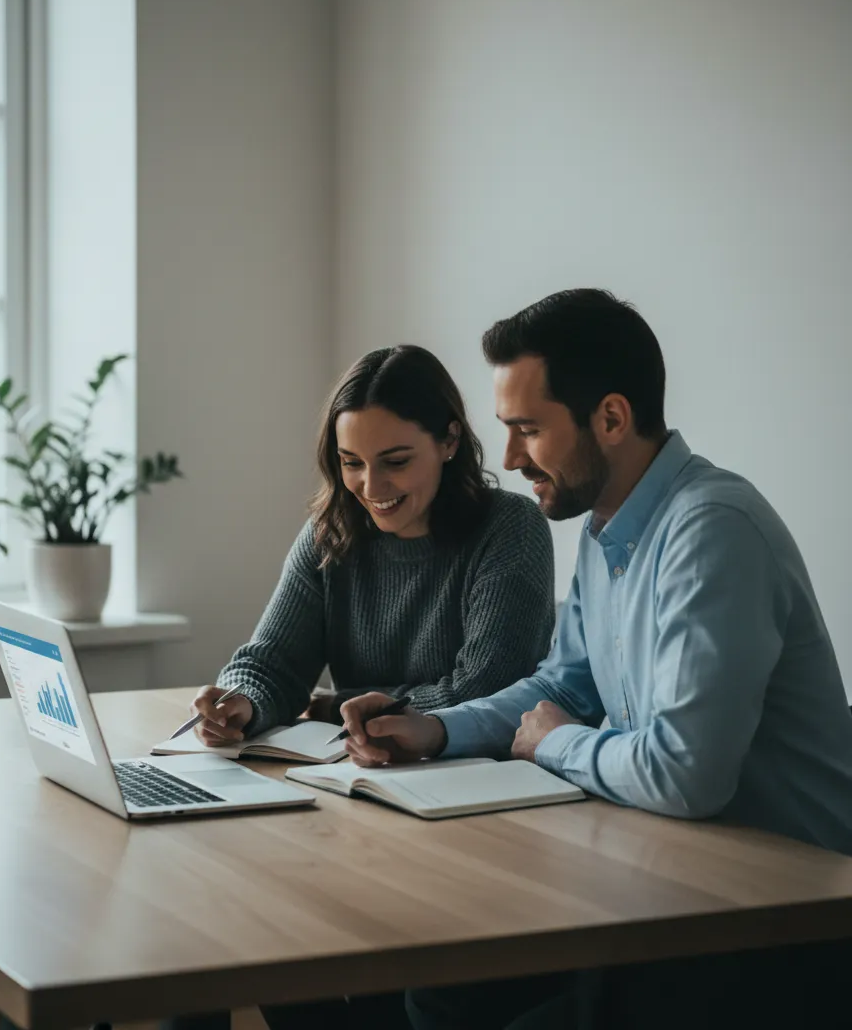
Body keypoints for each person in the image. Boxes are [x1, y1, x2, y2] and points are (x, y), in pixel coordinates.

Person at [341, 290, 852, 1030]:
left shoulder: (712, 532)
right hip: (675, 889)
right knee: (440, 991)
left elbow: (686, 774)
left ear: (610, 418)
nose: (510, 458)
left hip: (778, 928)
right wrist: (436, 729)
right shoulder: (610, 527)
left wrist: (557, 743)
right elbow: (564, 685)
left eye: (527, 431)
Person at [191, 344, 556, 754]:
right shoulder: (330, 532)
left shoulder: (510, 526)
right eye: (351, 462)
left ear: (449, 440)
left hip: (478, 781)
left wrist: (338, 705)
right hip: (363, 767)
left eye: (395, 462)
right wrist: (241, 700)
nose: (371, 487)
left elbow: (487, 688)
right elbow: (274, 664)